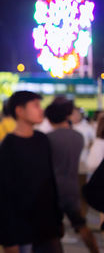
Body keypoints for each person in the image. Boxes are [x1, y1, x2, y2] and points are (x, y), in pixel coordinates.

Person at [0, 91, 63, 253]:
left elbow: (50, 183)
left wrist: (57, 221)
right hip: (22, 232)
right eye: (36, 106)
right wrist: (8, 240)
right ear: (19, 111)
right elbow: (3, 198)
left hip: (48, 228)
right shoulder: (7, 149)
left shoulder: (42, 140)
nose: (41, 110)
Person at [45, 101, 98, 253]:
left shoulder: (47, 138)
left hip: (53, 189)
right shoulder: (77, 137)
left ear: (49, 119)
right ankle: (94, 250)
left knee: (54, 227)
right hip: (72, 186)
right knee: (81, 224)